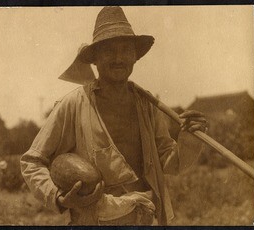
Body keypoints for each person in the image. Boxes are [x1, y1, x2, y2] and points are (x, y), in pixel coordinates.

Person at [20, 6, 208, 226]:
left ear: (135, 57)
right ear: (95, 59)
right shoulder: (74, 104)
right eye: (109, 50)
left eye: (126, 49)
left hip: (146, 218)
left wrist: (190, 139)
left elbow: (168, 162)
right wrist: (59, 197)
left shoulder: (147, 105)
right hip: (94, 220)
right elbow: (31, 162)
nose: (119, 58)